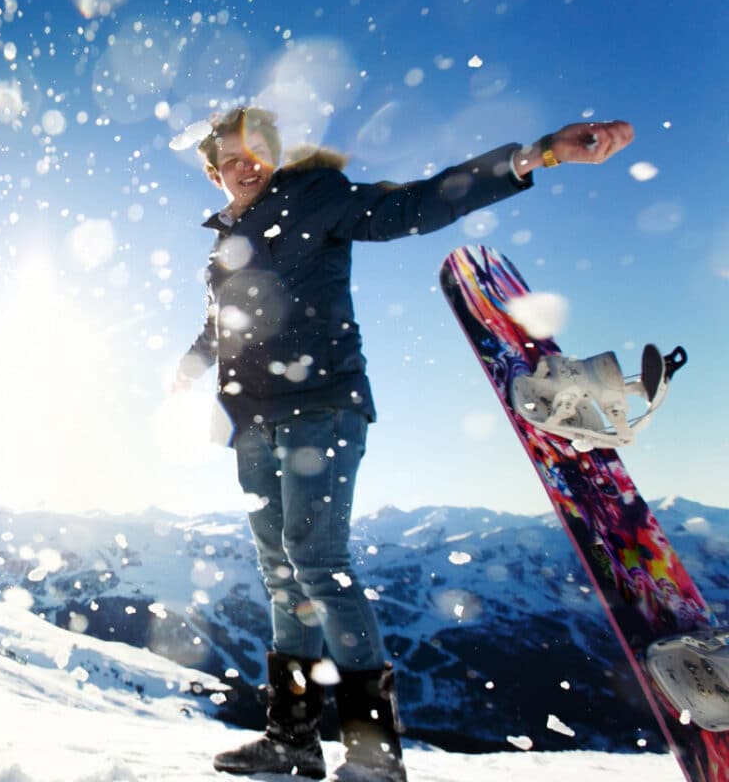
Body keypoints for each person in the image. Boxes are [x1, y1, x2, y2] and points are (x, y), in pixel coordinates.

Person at [173, 107, 633, 781]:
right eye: (230, 158)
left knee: (317, 560)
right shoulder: (224, 243)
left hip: (322, 406)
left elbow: (412, 207)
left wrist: (537, 156)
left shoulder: (315, 197)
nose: (247, 164)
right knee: (280, 573)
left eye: (258, 149)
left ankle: (373, 754)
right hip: (250, 420)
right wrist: (188, 369)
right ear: (214, 173)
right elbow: (224, 321)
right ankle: (292, 740)